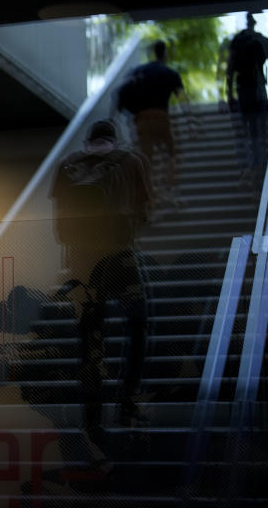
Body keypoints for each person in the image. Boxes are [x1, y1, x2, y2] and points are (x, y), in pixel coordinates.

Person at [50, 120, 151, 465]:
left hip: (81, 262)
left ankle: (91, 419)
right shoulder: (130, 160)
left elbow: (58, 224)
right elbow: (144, 214)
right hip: (119, 256)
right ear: (113, 139)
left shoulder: (67, 164)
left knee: (89, 337)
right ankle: (127, 399)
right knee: (138, 323)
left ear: (88, 140)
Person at [115, 40, 191, 209]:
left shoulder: (138, 72)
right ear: (164, 53)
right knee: (172, 154)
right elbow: (182, 99)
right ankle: (168, 188)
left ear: (151, 54)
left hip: (141, 120)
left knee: (146, 160)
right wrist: (191, 119)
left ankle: (151, 200)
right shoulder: (169, 73)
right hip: (161, 118)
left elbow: (120, 93)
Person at [226, 12, 268, 180]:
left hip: (243, 89)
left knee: (244, 130)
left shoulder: (237, 41)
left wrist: (228, 94)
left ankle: (247, 168)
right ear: (255, 22)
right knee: (259, 130)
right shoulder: (262, 40)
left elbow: (230, 69)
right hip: (258, 88)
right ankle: (260, 165)